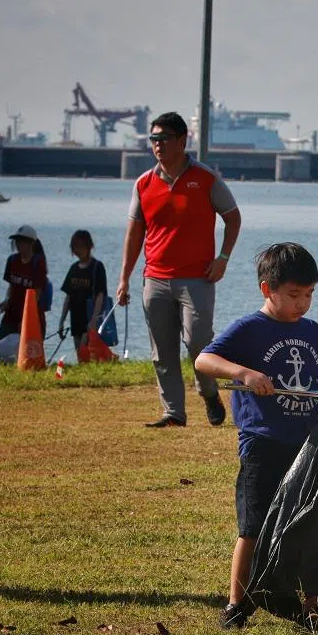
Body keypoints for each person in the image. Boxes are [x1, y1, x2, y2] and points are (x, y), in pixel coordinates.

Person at [195, 243, 318, 629]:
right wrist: (244, 373)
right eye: (294, 294)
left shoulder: (312, 331)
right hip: (262, 445)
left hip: (306, 448)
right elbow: (204, 359)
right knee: (253, 527)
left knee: (303, 526)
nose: (303, 303)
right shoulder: (250, 329)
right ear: (267, 289)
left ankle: (308, 605)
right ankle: (236, 603)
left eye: (310, 294)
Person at [117, 112, 242, 428]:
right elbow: (134, 234)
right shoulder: (143, 184)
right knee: (162, 351)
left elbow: (233, 217)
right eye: (154, 139)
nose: (157, 145)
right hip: (155, 279)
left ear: (183, 141)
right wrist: (124, 279)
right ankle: (173, 412)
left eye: (164, 139)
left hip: (197, 279)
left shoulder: (205, 178)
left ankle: (208, 392)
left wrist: (223, 258)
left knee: (198, 342)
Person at [57, 230, 109, 355]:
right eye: (75, 247)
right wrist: (62, 320)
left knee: (90, 353)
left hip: (90, 317)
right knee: (80, 354)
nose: (78, 250)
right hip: (76, 319)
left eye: (81, 246)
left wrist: (94, 319)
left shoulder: (97, 267)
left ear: (89, 246)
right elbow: (68, 296)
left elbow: (100, 295)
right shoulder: (74, 268)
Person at [0, 225, 48, 342]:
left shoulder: (38, 263)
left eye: (23, 241)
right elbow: (11, 286)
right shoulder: (12, 260)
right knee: (0, 345)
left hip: (31, 314)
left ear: (31, 243)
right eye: (17, 241)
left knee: (28, 347)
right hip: (11, 313)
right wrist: (6, 300)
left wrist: (25, 320)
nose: (19, 244)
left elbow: (37, 294)